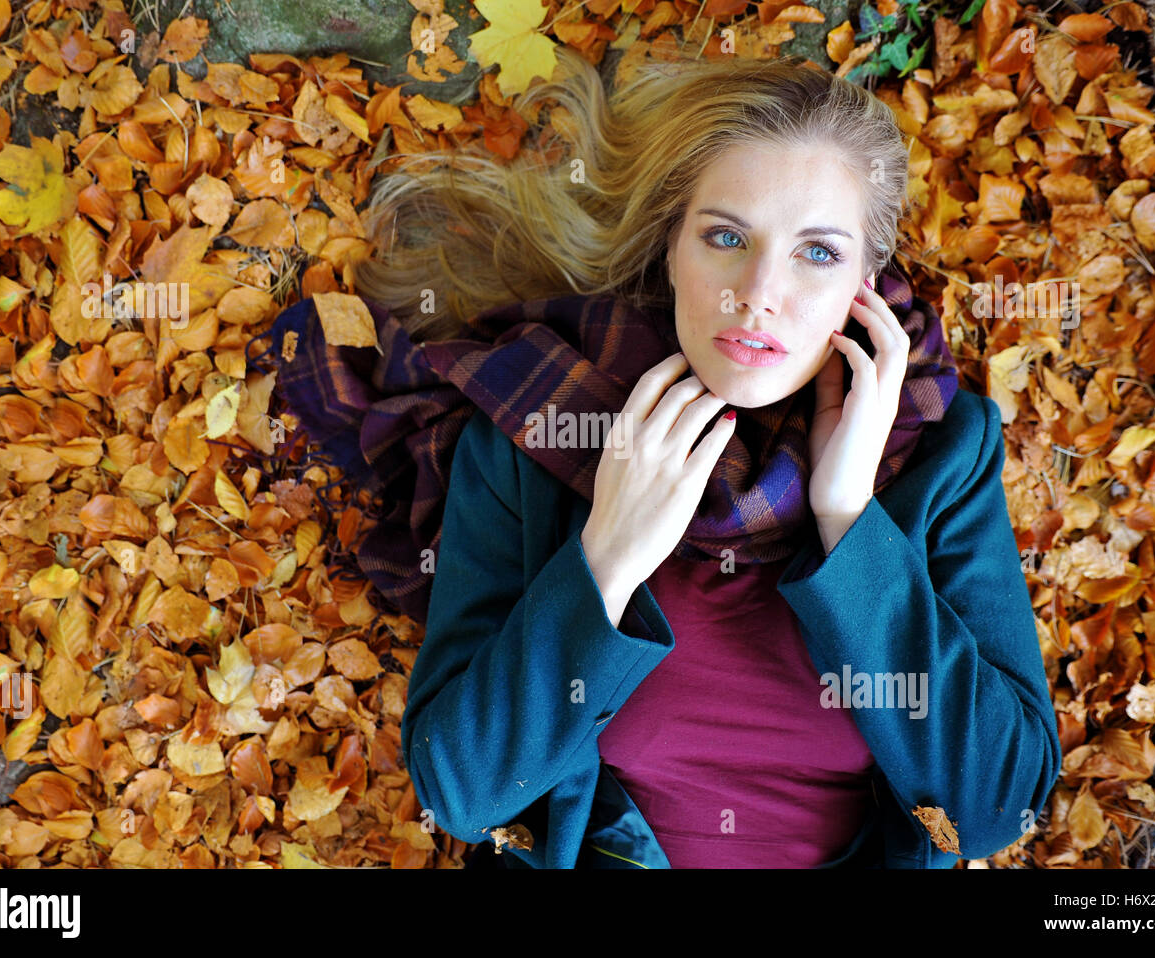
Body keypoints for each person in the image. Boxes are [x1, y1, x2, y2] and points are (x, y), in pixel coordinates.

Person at [257, 47, 1061, 868]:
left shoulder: (941, 449)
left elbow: (996, 808)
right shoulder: (539, 430)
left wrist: (851, 519)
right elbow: (464, 794)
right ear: (671, 248)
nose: (758, 292)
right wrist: (604, 559)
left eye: (817, 253)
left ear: (865, 276)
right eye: (725, 237)